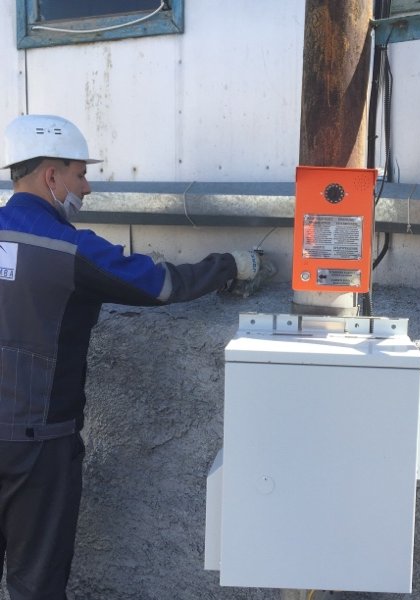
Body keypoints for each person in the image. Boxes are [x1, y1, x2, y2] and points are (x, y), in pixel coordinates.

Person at [0, 114, 266, 599]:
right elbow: (161, 285)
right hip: (39, 445)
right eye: (81, 174)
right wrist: (231, 264)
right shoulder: (69, 249)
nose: (87, 188)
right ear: (51, 176)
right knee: (34, 583)